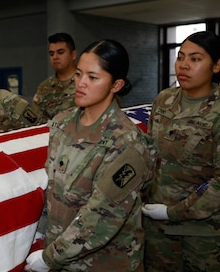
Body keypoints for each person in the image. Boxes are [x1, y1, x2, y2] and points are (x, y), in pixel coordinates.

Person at [25, 39, 157, 272]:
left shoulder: (126, 142)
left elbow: (102, 217)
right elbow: (53, 187)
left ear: (116, 85)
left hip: (104, 262)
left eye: (93, 77)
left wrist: (50, 257)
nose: (80, 83)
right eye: (78, 74)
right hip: (61, 255)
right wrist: (42, 232)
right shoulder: (61, 123)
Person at [142, 31, 220, 271]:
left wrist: (172, 213)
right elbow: (151, 153)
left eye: (195, 59)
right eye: (180, 57)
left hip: (204, 234)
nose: (183, 65)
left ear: (216, 65)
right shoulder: (164, 100)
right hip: (158, 229)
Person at [33, 32, 77, 123]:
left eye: (60, 52)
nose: (55, 57)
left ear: (73, 55)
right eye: (51, 54)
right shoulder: (44, 87)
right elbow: (38, 120)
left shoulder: (86, 81)